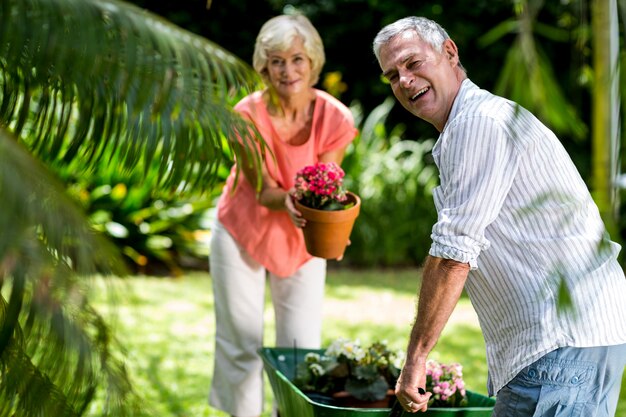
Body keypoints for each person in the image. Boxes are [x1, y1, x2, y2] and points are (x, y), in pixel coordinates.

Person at [372, 16, 626, 417]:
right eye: (392, 75)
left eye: (413, 63)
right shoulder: (468, 124)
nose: (404, 80)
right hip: (559, 345)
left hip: (560, 345)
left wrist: (416, 357)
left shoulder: (479, 123)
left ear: (450, 52)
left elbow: (454, 252)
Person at [208, 14, 357, 417]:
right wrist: (291, 199)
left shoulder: (333, 117)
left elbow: (326, 186)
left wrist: (332, 224)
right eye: (276, 61)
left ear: (312, 63)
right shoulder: (245, 114)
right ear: (263, 66)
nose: (287, 70)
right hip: (242, 230)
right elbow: (262, 191)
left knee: (300, 348)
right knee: (242, 341)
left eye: (297, 59)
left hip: (302, 236)